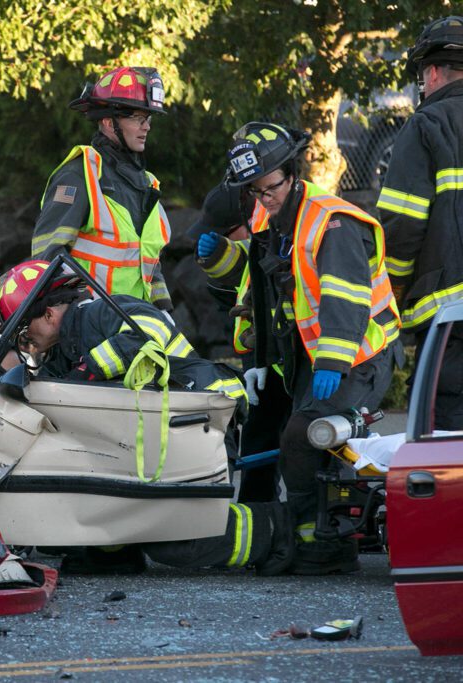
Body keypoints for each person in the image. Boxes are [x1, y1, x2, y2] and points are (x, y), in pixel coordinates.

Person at [0, 259, 292, 576]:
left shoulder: (105, 311)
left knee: (180, 542)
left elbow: (146, 339)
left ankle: (281, 528)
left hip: (197, 420)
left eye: (24, 330)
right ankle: (114, 552)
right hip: (149, 437)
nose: (24, 342)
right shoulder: (61, 354)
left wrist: (85, 374)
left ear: (49, 314)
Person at [202, 122, 401, 575]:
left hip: (359, 356)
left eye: (269, 187)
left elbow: (344, 301)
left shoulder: (332, 223)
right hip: (310, 357)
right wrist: (259, 363)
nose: (262, 198)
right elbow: (266, 297)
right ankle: (278, 528)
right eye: (253, 191)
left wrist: (332, 360)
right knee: (267, 424)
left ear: (292, 174)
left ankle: (325, 543)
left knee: (304, 435)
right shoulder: (270, 219)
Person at [378, 16, 463, 429]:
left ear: (431, 72)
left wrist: (390, 291)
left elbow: (402, 225)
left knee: (441, 440)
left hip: (450, 322)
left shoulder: (427, 125)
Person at [31, 66, 173, 310]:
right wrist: (80, 310)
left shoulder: (147, 183)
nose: (147, 127)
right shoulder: (80, 174)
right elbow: (47, 256)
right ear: (108, 122)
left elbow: (148, 264)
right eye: (138, 118)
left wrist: (163, 312)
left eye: (148, 119)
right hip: (86, 324)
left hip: (136, 324)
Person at [191, 183, 292, 503]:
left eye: (224, 234)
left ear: (245, 224)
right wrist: (219, 258)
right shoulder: (256, 241)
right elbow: (241, 277)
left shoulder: (283, 233)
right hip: (263, 356)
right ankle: (259, 519)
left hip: (301, 354)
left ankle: (309, 531)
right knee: (258, 442)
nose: (220, 241)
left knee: (304, 444)